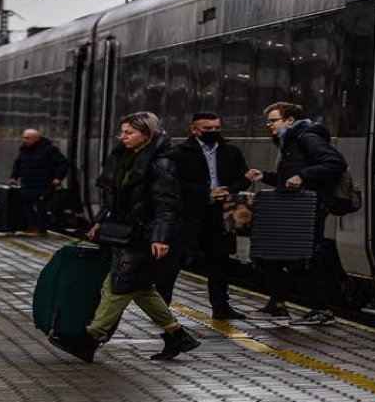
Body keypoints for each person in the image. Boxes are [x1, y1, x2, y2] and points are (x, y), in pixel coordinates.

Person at [49, 112, 200, 363]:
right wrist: (100, 221)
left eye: (129, 132)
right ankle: (177, 335)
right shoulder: (124, 157)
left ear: (147, 134)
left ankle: (89, 338)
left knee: (117, 285)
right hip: (125, 231)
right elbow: (114, 198)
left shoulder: (162, 162)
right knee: (139, 288)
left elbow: (167, 204)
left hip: (145, 234)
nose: (122, 137)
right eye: (122, 132)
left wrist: (160, 238)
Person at [244, 102, 347, 325]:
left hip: (306, 210)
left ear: (290, 121)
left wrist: (303, 175)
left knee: (298, 259)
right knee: (270, 255)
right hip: (292, 207)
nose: (269, 125)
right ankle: (277, 305)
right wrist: (265, 176)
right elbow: (288, 178)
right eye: (268, 121)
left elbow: (335, 163)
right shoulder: (289, 141)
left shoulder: (307, 138)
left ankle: (322, 310)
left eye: (273, 120)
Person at [167, 111, 250, 320]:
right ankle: (162, 307)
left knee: (220, 261)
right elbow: (173, 182)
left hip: (220, 214)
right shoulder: (180, 152)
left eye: (216, 128)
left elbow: (243, 177)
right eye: (207, 128)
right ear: (194, 130)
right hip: (189, 214)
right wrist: (206, 193)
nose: (213, 132)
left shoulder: (230, 151)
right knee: (175, 261)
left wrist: (229, 190)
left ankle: (221, 306)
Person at [8, 128, 69, 235]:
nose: (24, 140)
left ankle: (41, 228)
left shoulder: (49, 149)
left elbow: (62, 163)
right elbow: (18, 164)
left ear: (36, 139)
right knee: (27, 205)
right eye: (24, 138)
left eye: (27, 138)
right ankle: (31, 226)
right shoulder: (24, 150)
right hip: (28, 183)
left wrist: (58, 178)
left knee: (41, 207)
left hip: (44, 183)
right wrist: (13, 177)